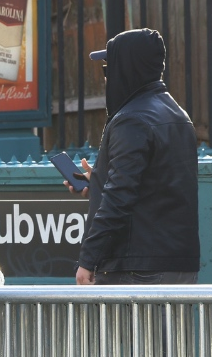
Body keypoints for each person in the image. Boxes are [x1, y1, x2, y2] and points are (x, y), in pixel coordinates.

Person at [73, 28, 200, 285]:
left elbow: (119, 197)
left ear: (126, 68)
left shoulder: (131, 120)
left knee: (122, 328)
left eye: (109, 69)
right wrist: (97, 182)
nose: (106, 78)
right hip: (179, 264)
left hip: (137, 268)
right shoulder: (178, 115)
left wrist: (88, 260)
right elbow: (159, 185)